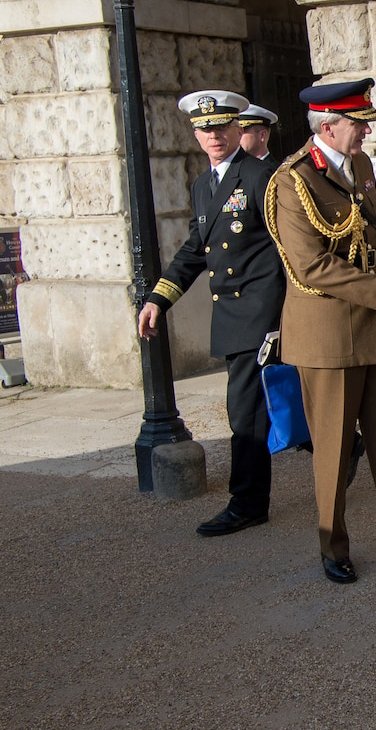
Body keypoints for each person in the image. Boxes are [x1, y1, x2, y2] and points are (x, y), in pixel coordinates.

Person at [265, 77, 376, 584]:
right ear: (329, 126)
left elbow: (369, 243)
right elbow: (311, 267)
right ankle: (333, 545)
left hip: (374, 323)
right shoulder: (292, 180)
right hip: (327, 331)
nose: (366, 133)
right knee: (334, 446)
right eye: (358, 124)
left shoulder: (359, 165)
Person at [138, 90, 284, 536]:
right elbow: (195, 251)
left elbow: (291, 248)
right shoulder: (204, 185)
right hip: (231, 315)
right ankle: (344, 444)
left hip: (262, 313)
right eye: (205, 129)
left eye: (221, 126)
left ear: (239, 128)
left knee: (245, 413)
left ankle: (247, 503)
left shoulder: (264, 176)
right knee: (271, 402)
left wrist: (287, 313)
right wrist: (159, 298)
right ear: (196, 134)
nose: (213, 135)